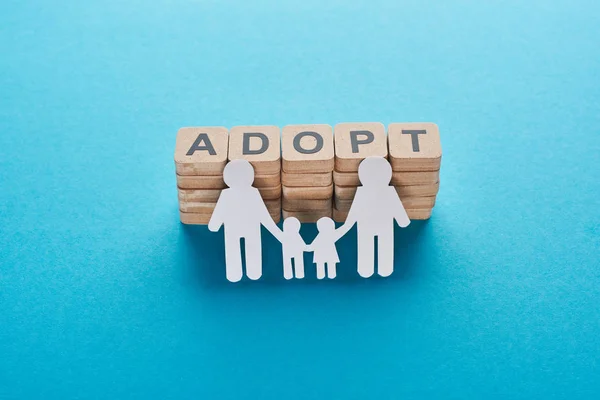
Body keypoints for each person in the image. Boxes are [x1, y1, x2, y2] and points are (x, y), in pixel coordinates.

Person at [208, 159, 283, 282]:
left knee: (236, 248)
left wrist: (214, 225)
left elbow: (262, 213)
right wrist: (278, 233)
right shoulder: (249, 193)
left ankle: (238, 273)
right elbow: (263, 215)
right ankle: (252, 272)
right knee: (248, 247)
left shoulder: (230, 194)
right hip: (249, 228)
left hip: (235, 228)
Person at [337, 157, 410, 278]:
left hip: (372, 225)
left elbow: (395, 206)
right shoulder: (365, 192)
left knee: (375, 245)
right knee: (373, 245)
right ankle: (372, 269)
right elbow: (355, 209)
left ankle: (377, 268)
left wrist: (348, 225)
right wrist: (403, 221)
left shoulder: (386, 191)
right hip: (376, 225)